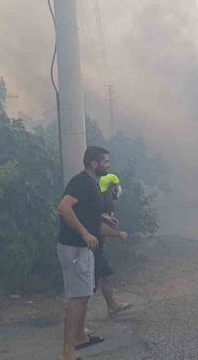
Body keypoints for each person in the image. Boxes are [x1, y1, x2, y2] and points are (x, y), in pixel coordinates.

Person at [56, 146, 109, 360]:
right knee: (78, 298)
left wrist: (103, 218)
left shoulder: (90, 183)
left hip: (84, 248)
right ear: (93, 164)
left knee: (84, 294)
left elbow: (85, 208)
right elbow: (64, 207)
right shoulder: (81, 181)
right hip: (76, 247)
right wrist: (85, 233)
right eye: (105, 161)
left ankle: (79, 336)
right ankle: (67, 352)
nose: (108, 165)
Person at [95, 172, 132, 315]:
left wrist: (110, 220)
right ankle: (78, 323)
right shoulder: (101, 203)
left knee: (104, 276)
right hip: (92, 245)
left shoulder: (104, 203)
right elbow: (98, 226)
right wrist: (118, 234)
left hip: (97, 244)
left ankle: (111, 305)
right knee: (91, 282)